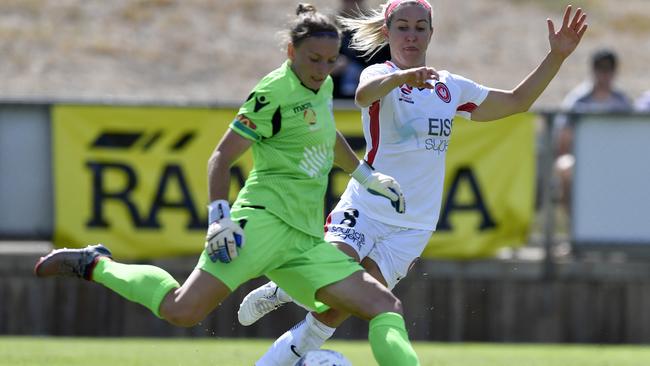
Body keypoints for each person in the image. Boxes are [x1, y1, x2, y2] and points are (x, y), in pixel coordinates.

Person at [33, 4, 420, 366]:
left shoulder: (319, 86)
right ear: (290, 51)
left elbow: (325, 133)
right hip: (260, 225)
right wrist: (219, 218)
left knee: (385, 305)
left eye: (330, 61)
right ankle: (95, 263)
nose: (321, 70)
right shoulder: (271, 94)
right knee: (181, 310)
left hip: (304, 240)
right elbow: (220, 157)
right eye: (313, 60)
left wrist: (366, 175)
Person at [237, 1, 588, 365]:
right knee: (333, 278)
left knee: (337, 307)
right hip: (366, 207)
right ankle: (284, 291)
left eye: (420, 27)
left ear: (431, 34)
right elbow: (363, 96)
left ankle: (275, 353)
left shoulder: (448, 87)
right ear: (387, 32)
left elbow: (518, 101)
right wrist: (403, 78)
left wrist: (557, 57)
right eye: (402, 27)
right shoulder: (379, 73)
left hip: (412, 226)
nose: (411, 35)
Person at [554, 49, 632, 213]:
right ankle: (573, 226)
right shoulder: (577, 101)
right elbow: (563, 143)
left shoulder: (622, 101)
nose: (604, 74)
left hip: (616, 158)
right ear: (593, 70)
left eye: (608, 69)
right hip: (582, 158)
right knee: (565, 167)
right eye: (600, 69)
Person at [331, 0, 391, 99]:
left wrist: (364, 72)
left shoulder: (376, 30)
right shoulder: (330, 27)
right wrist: (330, 64)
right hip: (336, 97)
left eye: (357, 0)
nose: (352, 4)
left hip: (370, 95)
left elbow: (387, 64)